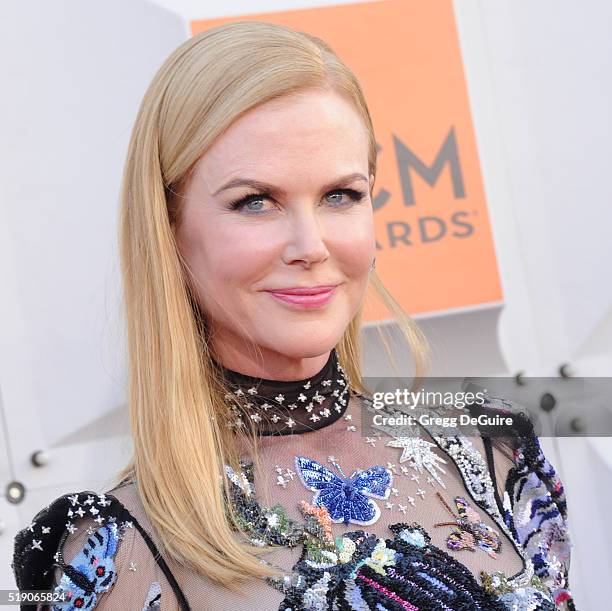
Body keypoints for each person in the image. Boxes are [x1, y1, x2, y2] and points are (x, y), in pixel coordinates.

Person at [12, 21, 575, 611]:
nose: (311, 244)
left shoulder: (492, 449)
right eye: (255, 202)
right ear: (169, 229)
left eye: (341, 195)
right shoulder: (112, 553)